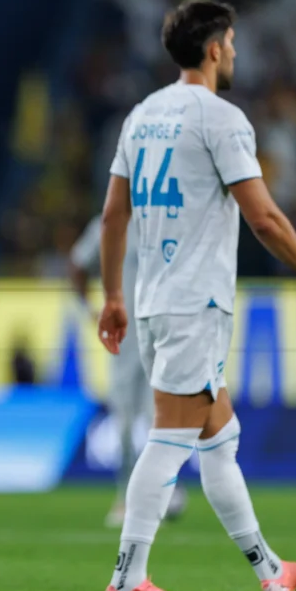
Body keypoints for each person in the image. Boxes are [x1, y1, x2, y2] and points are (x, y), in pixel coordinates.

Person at [98, 0, 296, 591]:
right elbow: (263, 216)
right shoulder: (221, 118)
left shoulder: (143, 115)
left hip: (157, 299)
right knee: (170, 438)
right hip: (194, 303)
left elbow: (112, 214)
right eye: (231, 43)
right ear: (213, 49)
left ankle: (270, 569)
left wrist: (112, 295)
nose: (234, 52)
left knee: (219, 435)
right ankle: (128, 577)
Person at [69, 215, 188, 527]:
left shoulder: (167, 220)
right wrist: (87, 309)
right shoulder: (109, 224)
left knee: (157, 421)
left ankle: (160, 493)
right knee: (123, 425)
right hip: (124, 344)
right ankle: (124, 496)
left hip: (161, 339)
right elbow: (77, 263)